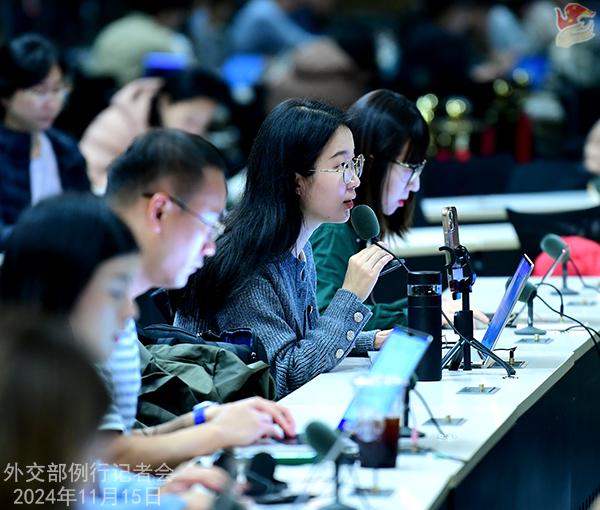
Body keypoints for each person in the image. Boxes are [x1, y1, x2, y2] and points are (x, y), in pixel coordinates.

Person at [0, 196, 233, 509]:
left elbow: (88, 477)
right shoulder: (25, 387)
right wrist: (169, 504)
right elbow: (34, 493)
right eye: (115, 291)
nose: (130, 311)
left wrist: (156, 492)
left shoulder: (57, 371)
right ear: (62, 289)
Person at [102, 128, 296, 469]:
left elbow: (121, 440)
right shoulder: (80, 297)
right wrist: (216, 434)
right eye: (208, 224)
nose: (210, 247)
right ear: (159, 211)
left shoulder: (116, 298)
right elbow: (100, 460)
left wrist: (208, 419)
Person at [175, 99, 394, 399]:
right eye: (340, 166)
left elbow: (300, 342)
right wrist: (351, 296)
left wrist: (371, 340)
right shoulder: (249, 265)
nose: (355, 180)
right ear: (297, 181)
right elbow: (285, 377)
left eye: (354, 163)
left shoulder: (298, 248)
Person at [311, 90, 490, 330]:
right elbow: (325, 319)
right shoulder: (333, 228)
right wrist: (417, 314)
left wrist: (425, 308)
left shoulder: (351, 225)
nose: (415, 185)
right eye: (410, 167)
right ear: (372, 163)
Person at [0, 33, 89, 251]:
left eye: (57, 90)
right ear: (6, 95)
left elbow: (86, 214)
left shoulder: (65, 148)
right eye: (39, 91)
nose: (52, 103)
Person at [80, 66, 230, 195]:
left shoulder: (187, 135)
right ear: (165, 102)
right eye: (189, 120)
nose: (196, 131)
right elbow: (90, 179)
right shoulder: (116, 124)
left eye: (204, 125)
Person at [86, 0, 195, 87]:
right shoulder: (157, 35)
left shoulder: (117, 26)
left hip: (97, 93)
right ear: (167, 14)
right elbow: (190, 69)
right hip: (124, 93)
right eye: (179, 17)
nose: (179, 23)